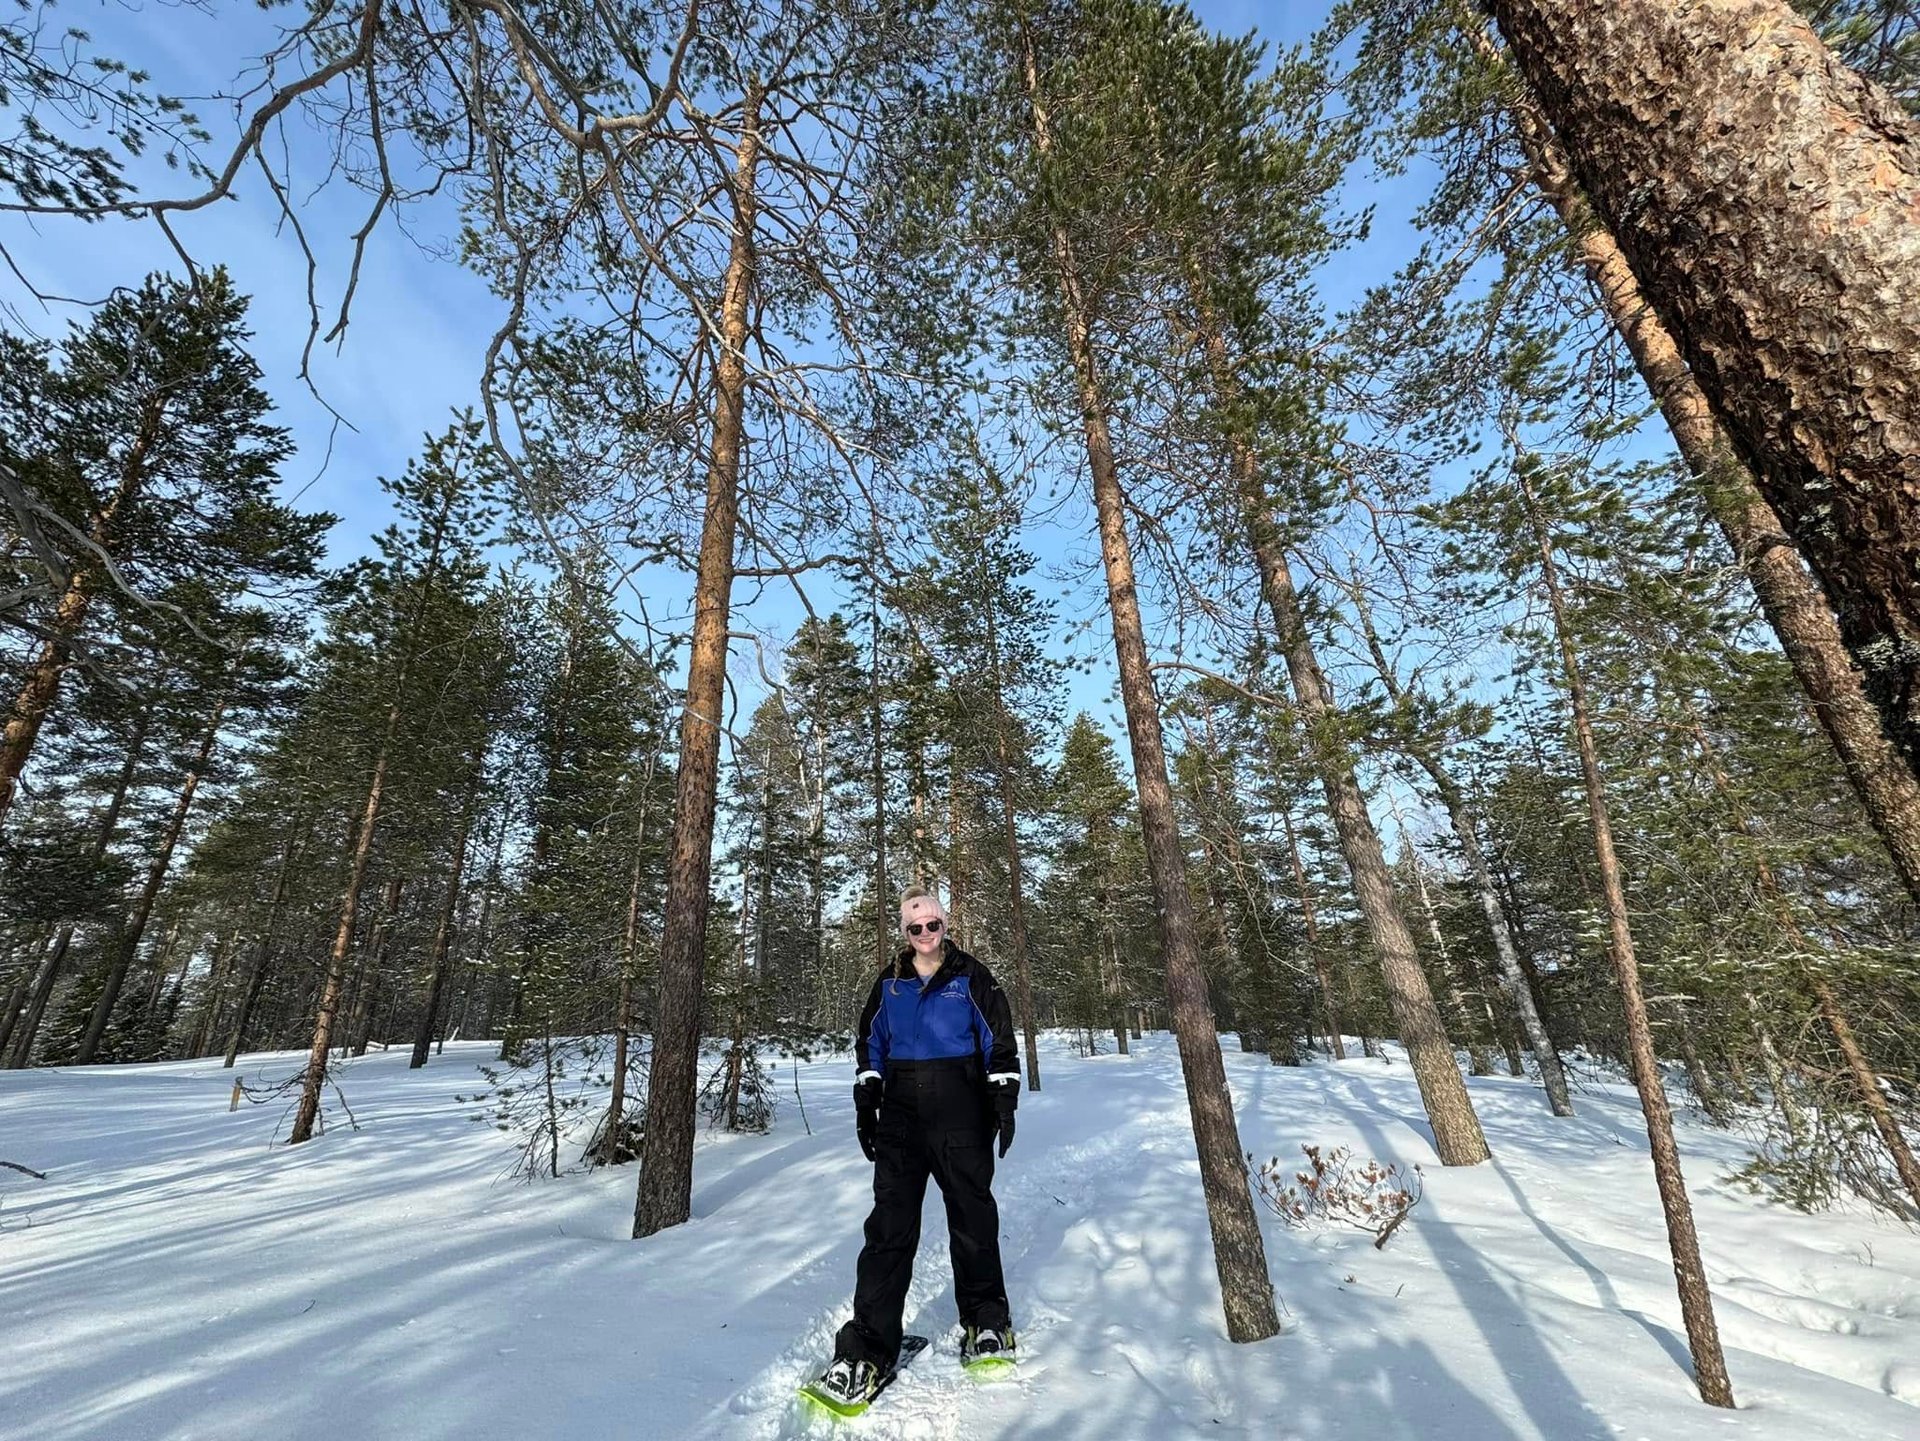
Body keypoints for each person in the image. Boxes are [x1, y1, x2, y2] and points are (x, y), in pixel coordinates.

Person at [813, 887, 1021, 1407]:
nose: (926, 935)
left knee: (972, 1219)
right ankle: (866, 1349)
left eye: (933, 925)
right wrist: (867, 1096)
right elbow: (870, 1042)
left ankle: (986, 1321)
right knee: (888, 1229)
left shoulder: (971, 977)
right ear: (904, 934)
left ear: (945, 925)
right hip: (902, 1118)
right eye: (915, 928)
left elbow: (998, 1038)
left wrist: (1003, 1099)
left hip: (961, 1113)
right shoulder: (890, 984)